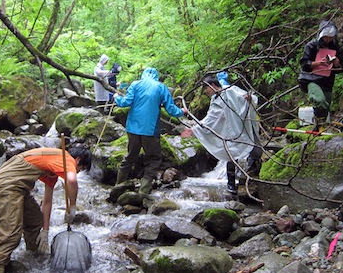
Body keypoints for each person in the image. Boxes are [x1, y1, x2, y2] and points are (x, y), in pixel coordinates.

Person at [0, 145, 92, 273]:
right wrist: (73, 206)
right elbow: (72, 180)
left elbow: (47, 202)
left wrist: (45, 232)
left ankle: (34, 256)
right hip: (9, 184)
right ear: (78, 159)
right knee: (11, 235)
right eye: (80, 169)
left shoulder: (52, 167)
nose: (77, 171)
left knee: (34, 220)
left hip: (18, 186)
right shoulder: (66, 159)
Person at [181, 75, 261, 197]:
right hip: (230, 132)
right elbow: (211, 118)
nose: (205, 92)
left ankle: (250, 177)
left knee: (255, 150)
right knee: (231, 153)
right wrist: (195, 129)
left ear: (212, 86)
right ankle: (231, 183)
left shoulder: (231, 90)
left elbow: (250, 99)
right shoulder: (215, 99)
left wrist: (248, 99)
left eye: (205, 89)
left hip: (242, 126)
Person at [112, 67, 188, 197]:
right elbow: (170, 109)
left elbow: (126, 102)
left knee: (130, 156)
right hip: (150, 130)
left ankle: (118, 187)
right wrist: (182, 112)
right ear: (156, 76)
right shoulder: (161, 87)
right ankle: (143, 192)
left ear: (144, 75)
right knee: (153, 160)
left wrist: (116, 98)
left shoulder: (135, 84)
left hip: (132, 129)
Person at [298, 20, 343, 131]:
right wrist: (317, 63)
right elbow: (304, 64)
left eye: (330, 37)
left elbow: (342, 67)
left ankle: (319, 128)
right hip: (311, 79)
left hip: (327, 81)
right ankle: (320, 128)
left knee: (326, 106)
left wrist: (337, 64)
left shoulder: (336, 48)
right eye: (326, 37)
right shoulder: (312, 46)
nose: (328, 39)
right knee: (320, 101)